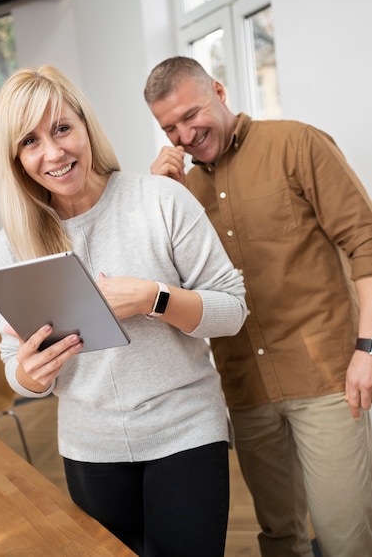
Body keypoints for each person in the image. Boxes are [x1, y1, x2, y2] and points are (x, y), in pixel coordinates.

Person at [0, 64, 247, 557]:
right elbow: (14, 366)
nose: (54, 152)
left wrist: (155, 298)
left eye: (62, 128)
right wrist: (31, 375)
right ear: (16, 159)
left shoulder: (161, 201)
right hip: (89, 447)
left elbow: (231, 311)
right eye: (30, 141)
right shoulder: (14, 246)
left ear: (86, 125)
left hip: (185, 430)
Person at [144, 56, 372, 557]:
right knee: (278, 537)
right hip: (245, 386)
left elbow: (365, 242)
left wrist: (368, 349)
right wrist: (162, 201)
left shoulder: (296, 143)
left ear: (219, 92)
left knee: (344, 537)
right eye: (169, 128)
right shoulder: (176, 194)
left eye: (191, 114)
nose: (183, 135)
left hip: (326, 377)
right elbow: (176, 297)